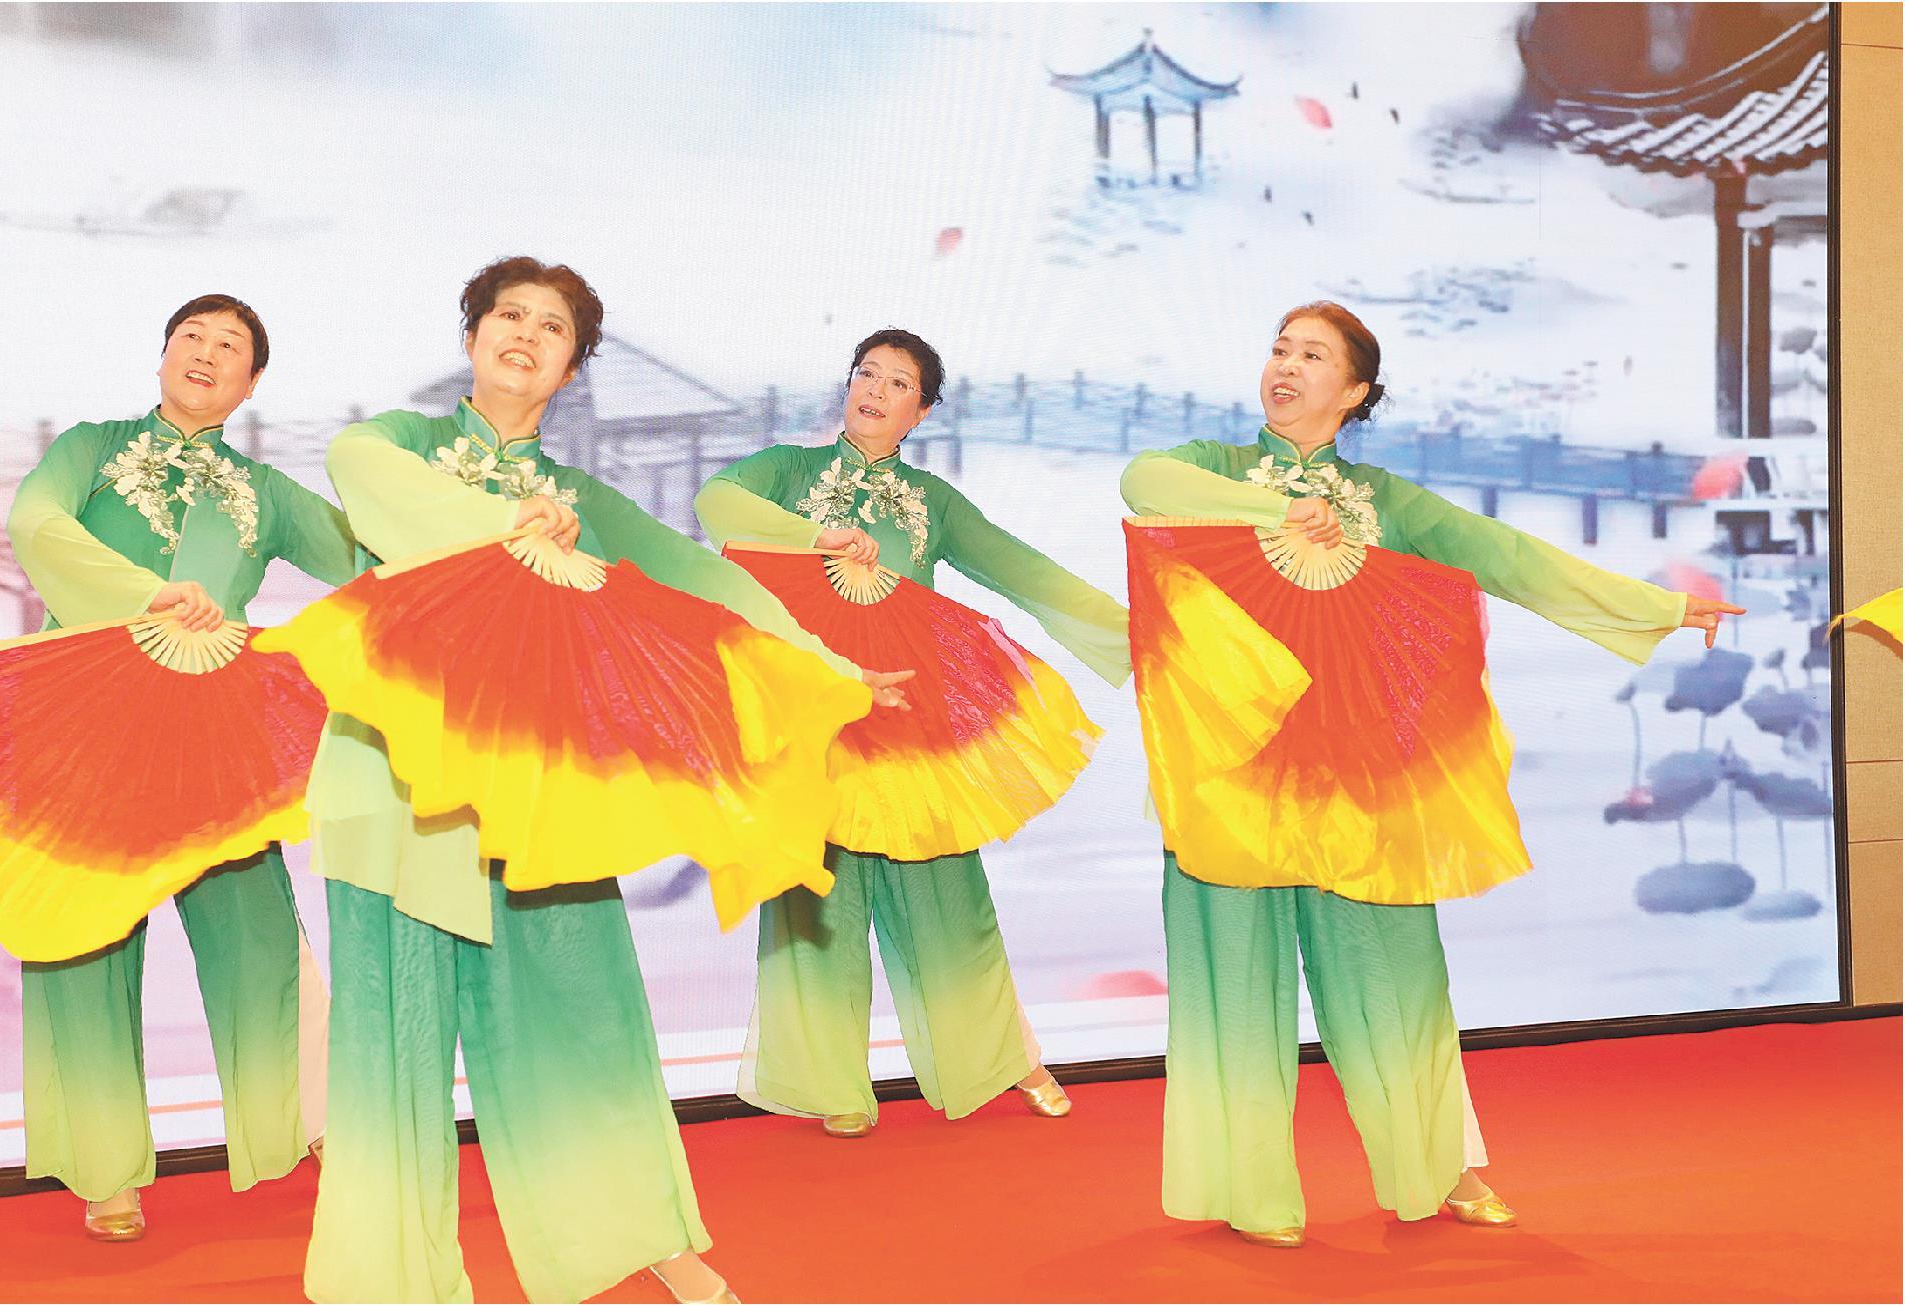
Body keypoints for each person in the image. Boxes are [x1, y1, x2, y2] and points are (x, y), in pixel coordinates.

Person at [301, 256, 910, 1305]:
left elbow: (704, 577)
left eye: (553, 328)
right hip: (394, 780)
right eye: (508, 315)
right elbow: (361, 473)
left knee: (588, 1015)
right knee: (390, 1042)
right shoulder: (398, 443)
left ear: (574, 366)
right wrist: (507, 526)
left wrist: (828, 661)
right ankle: (386, 1276)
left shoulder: (581, 497)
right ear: (471, 337)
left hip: (542, 785)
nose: (525, 335)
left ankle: (640, 1233)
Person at [1120, 300, 1742, 1247]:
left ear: (1354, 390)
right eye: (1280, 349)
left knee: (1396, 973)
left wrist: (1650, 607)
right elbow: (1141, 482)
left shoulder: (1387, 500)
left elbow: (1507, 556)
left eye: (1313, 355)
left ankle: (1442, 1166)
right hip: (1230, 773)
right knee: (1230, 982)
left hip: (1360, 771)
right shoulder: (1215, 466)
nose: (1286, 366)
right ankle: (1249, 1189)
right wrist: (1276, 508)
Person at [695, 329, 1131, 1138]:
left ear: (921, 410)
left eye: (898, 382)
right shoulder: (789, 471)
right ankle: (831, 1083)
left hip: (910, 715)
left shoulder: (934, 500)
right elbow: (715, 502)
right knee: (817, 902)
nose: (875, 390)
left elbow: (1026, 571)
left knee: (949, 899)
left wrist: (1135, 633)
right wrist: (815, 536)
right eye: (867, 373)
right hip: (817, 712)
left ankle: (1007, 1058)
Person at [6, 294, 360, 1241]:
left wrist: (486, 541)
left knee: (259, 931)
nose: (206, 352)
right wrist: (143, 594)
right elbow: (35, 522)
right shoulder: (92, 448)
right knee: (83, 938)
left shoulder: (264, 492)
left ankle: (322, 1123)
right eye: (191, 337)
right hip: (84, 716)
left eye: (229, 345)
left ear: (252, 380)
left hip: (209, 727)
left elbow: (367, 555)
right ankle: (104, 1166)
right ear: (163, 354)